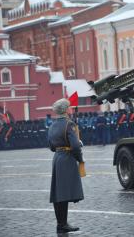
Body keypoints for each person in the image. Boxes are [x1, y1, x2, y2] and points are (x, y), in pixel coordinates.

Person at [48, 98, 84, 234]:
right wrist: (79, 158)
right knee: (63, 194)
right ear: (65, 110)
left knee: (58, 194)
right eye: (69, 107)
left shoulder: (52, 125)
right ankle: (63, 224)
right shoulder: (69, 124)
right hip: (67, 158)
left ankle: (61, 224)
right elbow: (75, 146)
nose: (70, 109)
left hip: (57, 158)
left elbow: (51, 146)